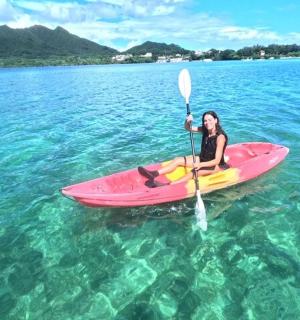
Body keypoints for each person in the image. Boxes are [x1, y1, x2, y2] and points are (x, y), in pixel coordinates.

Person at [138, 111, 229, 188]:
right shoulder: (205, 130)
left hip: (216, 166)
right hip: (203, 158)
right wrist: (187, 121)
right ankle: (154, 174)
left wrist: (199, 164)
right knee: (178, 160)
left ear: (215, 120)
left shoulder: (220, 137)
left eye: (210, 120)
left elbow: (216, 161)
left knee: (193, 172)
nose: (207, 122)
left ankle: (169, 186)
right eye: (205, 121)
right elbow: (188, 128)